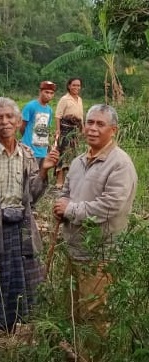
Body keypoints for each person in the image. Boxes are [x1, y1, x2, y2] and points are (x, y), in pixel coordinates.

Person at [0, 97, 59, 353]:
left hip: (21, 228)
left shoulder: (28, 154)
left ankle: (17, 333)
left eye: (10, 117)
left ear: (19, 122)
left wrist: (44, 171)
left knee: (26, 282)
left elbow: (32, 195)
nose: (5, 122)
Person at [53, 104, 137, 360]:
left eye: (100, 124)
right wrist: (60, 204)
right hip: (74, 249)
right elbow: (66, 192)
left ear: (113, 130)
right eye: (89, 122)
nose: (92, 128)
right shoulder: (78, 161)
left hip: (100, 255)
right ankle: (76, 354)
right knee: (74, 313)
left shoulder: (119, 164)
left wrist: (70, 209)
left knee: (95, 317)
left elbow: (110, 206)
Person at [55, 77, 84, 188]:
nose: (76, 87)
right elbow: (58, 116)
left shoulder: (79, 99)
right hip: (65, 130)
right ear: (69, 86)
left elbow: (81, 116)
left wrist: (83, 129)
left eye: (78, 85)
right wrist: (58, 131)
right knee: (62, 154)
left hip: (75, 131)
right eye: (74, 85)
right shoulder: (64, 99)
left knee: (73, 155)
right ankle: (59, 181)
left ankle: (70, 182)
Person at [20, 81, 57, 168]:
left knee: (41, 178)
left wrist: (48, 147)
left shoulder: (50, 110)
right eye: (46, 92)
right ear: (40, 92)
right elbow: (22, 127)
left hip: (43, 151)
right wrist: (27, 140)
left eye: (51, 93)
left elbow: (46, 129)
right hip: (30, 151)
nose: (49, 95)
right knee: (29, 177)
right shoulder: (30, 106)